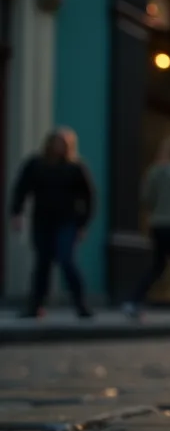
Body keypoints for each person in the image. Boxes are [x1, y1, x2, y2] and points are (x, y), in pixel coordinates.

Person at [8, 128, 95, 319]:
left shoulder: (75, 168)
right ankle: (35, 306)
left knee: (66, 260)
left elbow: (88, 198)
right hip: (42, 221)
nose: (59, 147)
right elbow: (21, 189)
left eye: (64, 144)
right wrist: (17, 213)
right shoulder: (36, 165)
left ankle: (81, 304)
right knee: (42, 263)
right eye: (57, 142)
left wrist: (82, 224)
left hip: (67, 221)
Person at [123, 136, 170, 321]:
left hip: (157, 223)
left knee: (158, 265)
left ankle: (134, 301)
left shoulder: (154, 171)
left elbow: (146, 198)